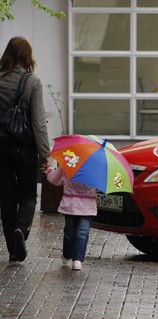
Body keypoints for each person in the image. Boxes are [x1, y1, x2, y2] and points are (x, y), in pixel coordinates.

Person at [0, 36, 50, 263]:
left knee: (7, 197)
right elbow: (39, 123)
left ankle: (13, 250)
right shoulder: (32, 83)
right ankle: (22, 229)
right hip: (25, 149)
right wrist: (46, 155)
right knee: (28, 195)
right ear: (27, 56)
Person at [44, 162, 97, 270]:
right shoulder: (93, 168)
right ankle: (68, 255)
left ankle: (77, 259)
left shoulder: (69, 163)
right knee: (75, 233)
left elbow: (54, 178)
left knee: (74, 233)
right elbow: (100, 187)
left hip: (77, 207)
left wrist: (49, 169)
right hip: (77, 207)